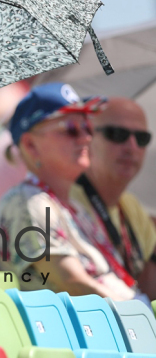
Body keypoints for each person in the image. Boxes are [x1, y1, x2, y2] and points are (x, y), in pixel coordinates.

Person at [0, 82, 136, 300]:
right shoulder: (28, 202)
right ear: (30, 146)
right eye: (71, 129)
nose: (86, 137)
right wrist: (139, 315)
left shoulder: (74, 205)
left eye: (87, 127)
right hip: (92, 327)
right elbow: (73, 284)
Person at [70, 97, 156, 300]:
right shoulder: (64, 199)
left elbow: (150, 293)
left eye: (142, 138)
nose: (131, 146)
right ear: (86, 136)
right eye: (117, 134)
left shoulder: (130, 206)